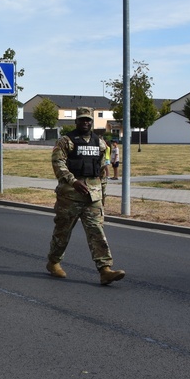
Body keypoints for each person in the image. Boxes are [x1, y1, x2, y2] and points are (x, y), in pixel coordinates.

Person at [45, 107, 125, 285]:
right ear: (76, 121)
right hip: (70, 196)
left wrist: (102, 195)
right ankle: (54, 262)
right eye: (82, 120)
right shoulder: (66, 141)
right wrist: (73, 181)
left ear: (92, 122)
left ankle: (105, 269)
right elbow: (58, 163)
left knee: (97, 232)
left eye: (88, 120)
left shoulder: (100, 143)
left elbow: (103, 169)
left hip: (93, 196)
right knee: (62, 232)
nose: (85, 122)